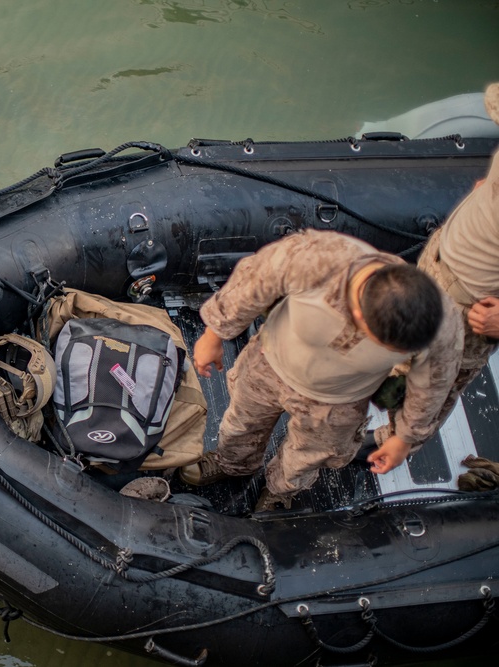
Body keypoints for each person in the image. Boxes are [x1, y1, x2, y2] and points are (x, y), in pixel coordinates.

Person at [184, 229, 463, 511]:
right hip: (268, 366)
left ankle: (281, 490)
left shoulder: (441, 320)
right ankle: (232, 463)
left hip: (339, 402)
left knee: (308, 455)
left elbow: (434, 384)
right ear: (356, 316)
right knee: (241, 425)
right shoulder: (319, 259)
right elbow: (254, 280)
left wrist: (404, 438)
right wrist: (213, 334)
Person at [377, 82, 499, 442]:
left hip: (472, 307)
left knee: (438, 384)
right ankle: (390, 382)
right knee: (402, 335)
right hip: (440, 258)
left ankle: (400, 439)